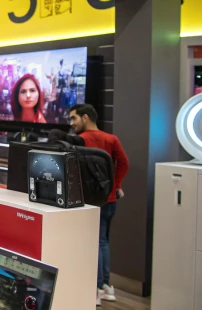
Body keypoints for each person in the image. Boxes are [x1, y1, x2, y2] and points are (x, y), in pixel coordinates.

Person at [69, 104, 130, 306]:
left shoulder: (80, 140)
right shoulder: (112, 139)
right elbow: (124, 162)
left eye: (73, 118)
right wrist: (117, 185)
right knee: (102, 242)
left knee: (92, 243)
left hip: (89, 201)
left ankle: (93, 289)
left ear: (85, 117)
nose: (71, 124)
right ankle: (106, 287)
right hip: (110, 198)